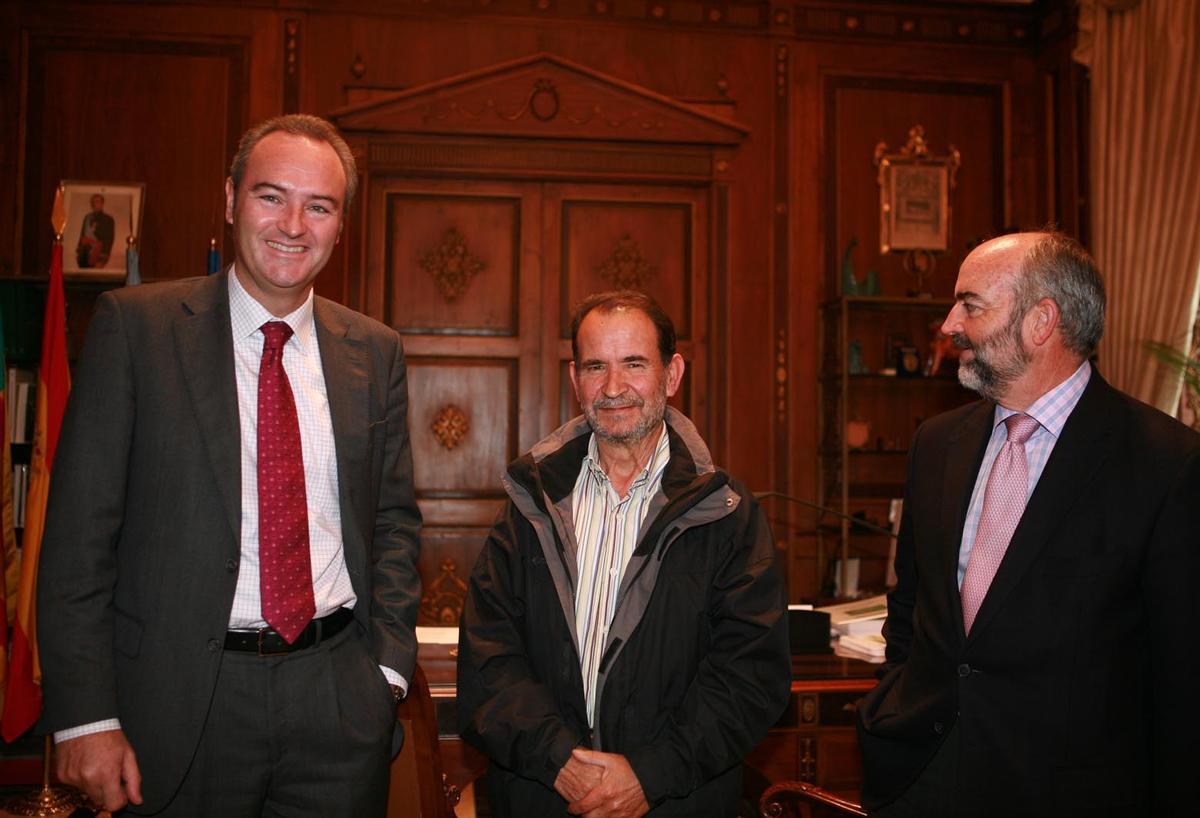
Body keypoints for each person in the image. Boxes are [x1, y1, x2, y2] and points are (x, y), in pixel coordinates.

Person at [37, 114, 422, 817]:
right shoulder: (137, 330)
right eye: (271, 197)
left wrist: (386, 672)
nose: (293, 225)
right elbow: (77, 542)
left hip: (337, 699)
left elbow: (393, 521)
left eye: (319, 206)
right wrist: (86, 716)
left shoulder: (375, 350)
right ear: (229, 199)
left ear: (341, 225)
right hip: (178, 702)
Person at [856, 231, 1200, 816]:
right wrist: (893, 702)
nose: (949, 325)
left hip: (1066, 792)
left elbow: (1183, 677)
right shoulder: (936, 443)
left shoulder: (1166, 463)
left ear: (1041, 321)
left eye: (970, 305)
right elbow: (910, 604)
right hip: (921, 775)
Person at [456, 290, 791, 818]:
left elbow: (749, 677)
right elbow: (488, 656)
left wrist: (649, 776)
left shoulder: (727, 513)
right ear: (575, 379)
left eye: (634, 364)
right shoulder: (530, 501)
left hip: (676, 803)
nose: (613, 388)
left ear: (672, 374)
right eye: (596, 367)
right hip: (542, 797)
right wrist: (561, 763)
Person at [76, 193, 115, 268]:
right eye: (93, 202)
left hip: (100, 253)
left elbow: (110, 238)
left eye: (97, 201)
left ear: (102, 203)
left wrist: (104, 254)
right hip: (85, 253)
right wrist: (79, 251)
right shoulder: (87, 217)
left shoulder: (108, 219)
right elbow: (82, 234)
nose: (95, 204)